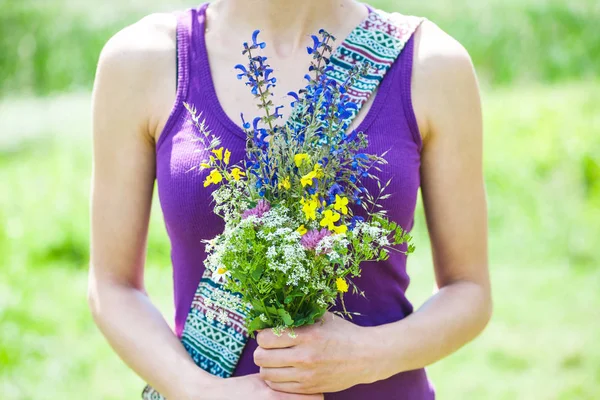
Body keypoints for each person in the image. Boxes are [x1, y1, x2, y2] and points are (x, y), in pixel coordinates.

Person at [87, 0, 491, 398]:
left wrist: (367, 355)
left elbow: (469, 291)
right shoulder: (145, 59)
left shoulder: (431, 63)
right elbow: (112, 287)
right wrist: (202, 391)